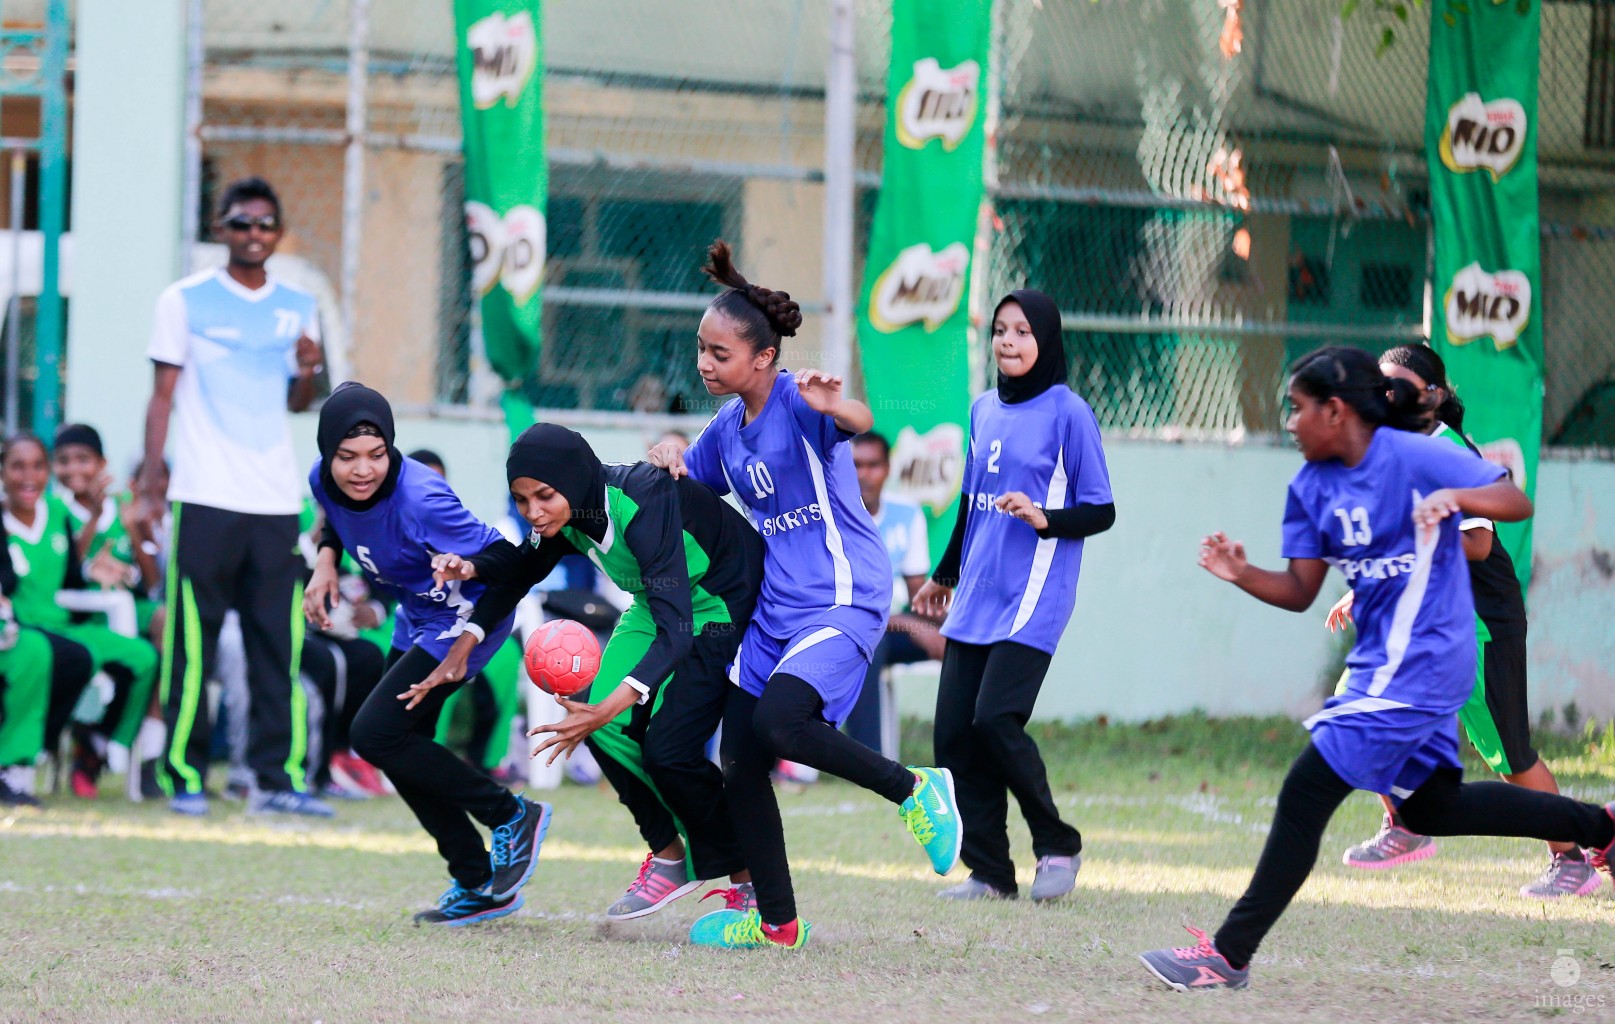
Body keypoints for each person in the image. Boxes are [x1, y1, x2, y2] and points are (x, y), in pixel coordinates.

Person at [1138, 346, 1615, 992]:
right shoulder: (1308, 488)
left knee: (1306, 789)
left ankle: (1226, 955)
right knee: (1433, 808)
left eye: (1299, 408)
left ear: (1336, 412)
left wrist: (1452, 496)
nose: (1290, 421)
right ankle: (1600, 830)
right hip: (1378, 669)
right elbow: (1302, 588)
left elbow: (1511, 499)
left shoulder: (1414, 456)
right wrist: (1241, 573)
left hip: (1426, 663)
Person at [646, 241, 962, 950]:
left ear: (762, 359)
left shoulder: (797, 400)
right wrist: (666, 459)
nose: (704, 364)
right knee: (739, 758)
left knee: (782, 725)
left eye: (719, 354)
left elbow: (854, 418)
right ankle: (778, 924)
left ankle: (914, 790)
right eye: (700, 349)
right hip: (774, 609)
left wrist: (834, 403)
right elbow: (688, 488)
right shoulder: (727, 429)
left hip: (841, 595)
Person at [418, 422, 761, 921]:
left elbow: (678, 630)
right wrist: (466, 633)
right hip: (660, 606)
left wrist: (606, 708)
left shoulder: (642, 503)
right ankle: (669, 857)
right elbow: (517, 572)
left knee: (669, 749)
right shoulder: (567, 516)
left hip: (721, 603)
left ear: (573, 482)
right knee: (605, 729)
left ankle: (748, 880)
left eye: (543, 495)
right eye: (521, 499)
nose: (534, 511)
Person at [1324, 344, 1590, 899]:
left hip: (1480, 622)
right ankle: (1404, 824)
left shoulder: (1447, 451)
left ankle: (1573, 856)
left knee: (1510, 756)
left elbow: (1477, 542)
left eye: (1396, 385)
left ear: (1432, 396)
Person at [305, 382, 550, 926]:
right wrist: (325, 563)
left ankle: (512, 814)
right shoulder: (323, 480)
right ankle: (477, 881)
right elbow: (333, 518)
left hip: (468, 613)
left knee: (374, 735)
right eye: (347, 457)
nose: (362, 470)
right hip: (417, 614)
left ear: (392, 448)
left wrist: (468, 643)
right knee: (398, 747)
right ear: (327, 455)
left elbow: (511, 565)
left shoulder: (421, 499)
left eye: (376, 454)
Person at [912, 290, 1116, 903]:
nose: (1008, 341)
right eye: (1001, 330)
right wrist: (943, 575)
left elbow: (1102, 510)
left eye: (1023, 331)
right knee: (953, 734)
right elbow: (971, 505)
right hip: (979, 590)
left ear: (1045, 340)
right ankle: (992, 874)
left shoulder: (1068, 413)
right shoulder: (981, 410)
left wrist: (1045, 517)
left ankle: (1058, 844)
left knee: (995, 719)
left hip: (1037, 590)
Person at [138, 176, 329, 817]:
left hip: (275, 500)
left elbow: (298, 401)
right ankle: (184, 775)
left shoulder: (299, 304)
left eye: (266, 224)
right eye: (242, 223)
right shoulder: (183, 300)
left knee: (278, 642)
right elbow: (162, 396)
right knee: (194, 643)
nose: (254, 234)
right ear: (221, 229)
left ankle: (276, 780)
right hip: (203, 495)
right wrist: (150, 484)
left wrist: (308, 370)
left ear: (278, 233)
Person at [3, 434, 159, 798]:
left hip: (64, 624)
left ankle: (105, 741)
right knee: (55, 655)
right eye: (18, 466)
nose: (30, 476)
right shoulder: (9, 517)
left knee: (143, 657)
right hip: (22, 627)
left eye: (37, 466)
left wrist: (96, 573)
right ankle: (34, 753)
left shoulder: (55, 514)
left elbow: (74, 574)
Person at [843, 430, 945, 755]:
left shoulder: (906, 514)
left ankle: (973, 752)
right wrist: (910, 624)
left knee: (967, 643)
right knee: (869, 641)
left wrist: (942, 616)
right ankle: (868, 759)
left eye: (873, 465)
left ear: (888, 469)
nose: (864, 474)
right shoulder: (834, 516)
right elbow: (845, 605)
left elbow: (919, 593)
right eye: (856, 465)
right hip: (847, 629)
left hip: (893, 627)